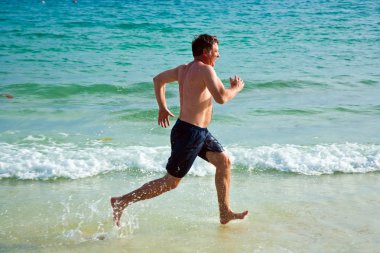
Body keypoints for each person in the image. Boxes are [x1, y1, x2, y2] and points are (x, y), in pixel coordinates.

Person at [111, 34, 248, 226]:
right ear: (206, 52)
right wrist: (237, 88)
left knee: (224, 162)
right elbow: (222, 97)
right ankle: (122, 201)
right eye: (216, 52)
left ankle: (224, 212)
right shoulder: (206, 70)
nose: (218, 56)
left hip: (194, 131)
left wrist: (162, 106)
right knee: (170, 182)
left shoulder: (183, 69)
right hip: (190, 134)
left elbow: (158, 80)